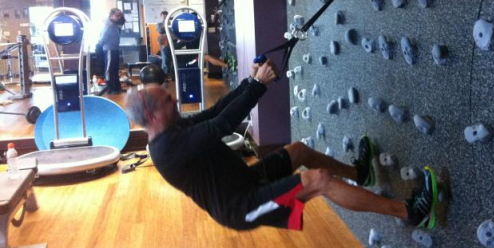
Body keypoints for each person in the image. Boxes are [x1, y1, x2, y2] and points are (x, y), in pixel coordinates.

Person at [124, 60, 435, 231]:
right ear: (151, 115)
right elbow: (221, 126)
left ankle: (360, 172)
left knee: (298, 150)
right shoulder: (167, 149)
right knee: (319, 181)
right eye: (167, 101)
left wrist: (249, 83)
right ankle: (408, 212)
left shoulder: (174, 125)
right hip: (242, 207)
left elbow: (214, 113)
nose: (175, 99)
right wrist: (258, 87)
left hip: (247, 181)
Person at [97, 8, 125, 94]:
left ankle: (117, 87)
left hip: (115, 48)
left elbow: (122, 22)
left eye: (120, 15)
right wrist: (100, 45)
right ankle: (111, 88)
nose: (119, 17)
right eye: (117, 15)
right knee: (109, 69)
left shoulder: (115, 24)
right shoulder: (108, 25)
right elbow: (103, 37)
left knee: (115, 69)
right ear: (111, 15)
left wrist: (121, 16)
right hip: (109, 49)